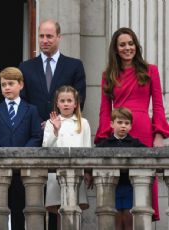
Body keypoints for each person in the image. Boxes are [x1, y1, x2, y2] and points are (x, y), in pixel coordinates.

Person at [94, 27, 169, 221]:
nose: (127, 48)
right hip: (117, 132)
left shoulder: (150, 70)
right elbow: (104, 109)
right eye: (122, 45)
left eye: (130, 43)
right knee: (118, 190)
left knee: (142, 185)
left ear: (136, 45)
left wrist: (159, 134)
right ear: (116, 49)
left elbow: (159, 104)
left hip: (143, 130)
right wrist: (103, 139)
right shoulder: (107, 74)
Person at [0, 67, 42, 229]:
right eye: (3, 85)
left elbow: (36, 136)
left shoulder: (31, 110)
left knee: (20, 210)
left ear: (21, 85)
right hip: (0, 169)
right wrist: (0, 153)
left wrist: (22, 154)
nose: (7, 87)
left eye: (11, 83)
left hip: (23, 170)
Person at [42, 85, 91, 230]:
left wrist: (88, 171)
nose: (66, 104)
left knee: (75, 210)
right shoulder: (51, 123)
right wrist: (55, 131)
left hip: (77, 173)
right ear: (57, 103)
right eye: (62, 101)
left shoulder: (84, 123)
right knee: (59, 211)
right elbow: (46, 148)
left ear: (76, 103)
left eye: (69, 100)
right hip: (56, 173)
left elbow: (87, 148)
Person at [18, 19, 86, 122]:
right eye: (41, 36)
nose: (45, 41)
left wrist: (57, 122)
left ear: (59, 37)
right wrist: (36, 124)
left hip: (65, 131)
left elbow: (79, 99)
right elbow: (22, 100)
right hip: (34, 131)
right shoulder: (25, 67)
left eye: (49, 36)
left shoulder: (74, 66)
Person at [96, 107, 146, 230]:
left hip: (129, 186)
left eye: (126, 123)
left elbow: (148, 156)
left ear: (130, 126)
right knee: (116, 218)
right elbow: (92, 158)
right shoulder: (104, 144)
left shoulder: (135, 143)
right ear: (112, 124)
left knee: (128, 218)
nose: (123, 126)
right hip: (111, 187)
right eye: (119, 122)